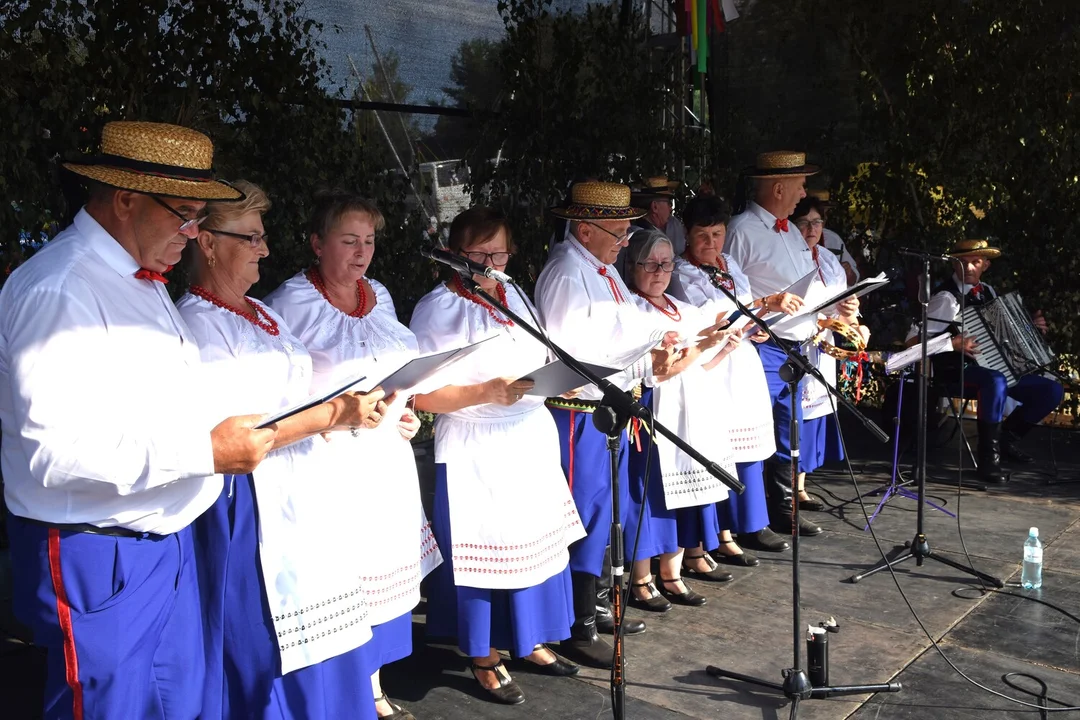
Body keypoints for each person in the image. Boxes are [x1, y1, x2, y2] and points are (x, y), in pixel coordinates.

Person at [0, 121, 276, 720]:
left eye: (199, 216)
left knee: (174, 708)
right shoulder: (59, 289)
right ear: (125, 199)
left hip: (160, 541)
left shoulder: (140, 277)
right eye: (185, 214)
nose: (194, 233)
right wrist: (206, 453)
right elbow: (55, 454)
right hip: (99, 550)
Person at [266, 192, 441, 720]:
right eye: (349, 240)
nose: (362, 252)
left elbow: (394, 365)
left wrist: (404, 409)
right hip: (328, 462)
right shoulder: (287, 304)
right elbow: (276, 391)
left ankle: (374, 684)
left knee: (384, 569)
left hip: (385, 459)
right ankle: (347, 692)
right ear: (317, 243)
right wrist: (330, 416)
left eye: (368, 240)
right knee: (345, 576)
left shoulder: (380, 294)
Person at [410, 207, 586, 705]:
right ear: (454, 256)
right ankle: (484, 652)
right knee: (486, 553)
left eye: (500, 253)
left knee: (535, 543)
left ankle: (529, 639)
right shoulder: (437, 309)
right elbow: (420, 396)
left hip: (527, 434)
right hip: (476, 444)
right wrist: (485, 392)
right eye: (481, 255)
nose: (492, 263)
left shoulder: (515, 294)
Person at [534, 181, 693, 668]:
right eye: (619, 230)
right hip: (579, 413)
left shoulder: (600, 270)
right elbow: (573, 354)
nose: (626, 240)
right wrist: (645, 346)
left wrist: (653, 349)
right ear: (585, 228)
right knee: (584, 512)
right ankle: (576, 624)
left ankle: (594, 605)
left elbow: (622, 329)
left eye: (627, 230)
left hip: (609, 409)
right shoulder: (566, 272)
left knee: (606, 511)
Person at [622, 228, 743, 610]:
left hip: (693, 409)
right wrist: (700, 345)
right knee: (651, 494)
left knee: (683, 497)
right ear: (633, 266)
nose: (660, 272)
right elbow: (656, 370)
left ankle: (672, 573)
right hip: (657, 411)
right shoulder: (631, 310)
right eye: (650, 264)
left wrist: (721, 348)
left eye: (666, 263)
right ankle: (641, 577)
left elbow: (700, 364)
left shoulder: (682, 307)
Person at [668, 194, 791, 557]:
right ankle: (722, 532)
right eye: (702, 235)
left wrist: (760, 324)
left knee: (749, 444)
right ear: (687, 236)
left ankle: (752, 522)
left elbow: (744, 306)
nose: (711, 243)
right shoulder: (681, 272)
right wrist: (760, 308)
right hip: (713, 363)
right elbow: (710, 317)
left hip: (743, 360)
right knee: (720, 446)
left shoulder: (731, 263)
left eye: (718, 233)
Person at [725, 151, 825, 537]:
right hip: (764, 345)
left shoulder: (791, 232)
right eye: (800, 185)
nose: (803, 193)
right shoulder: (741, 229)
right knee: (753, 429)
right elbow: (727, 286)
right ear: (779, 187)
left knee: (789, 427)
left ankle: (783, 508)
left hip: (797, 346)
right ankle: (745, 520)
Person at [906, 239, 1063, 483]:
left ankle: (1004, 441)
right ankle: (989, 460)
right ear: (954, 265)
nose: (968, 268)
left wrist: (1031, 330)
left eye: (975, 262)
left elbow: (1003, 336)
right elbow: (912, 343)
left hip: (991, 371)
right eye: (963, 263)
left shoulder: (988, 291)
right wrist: (952, 343)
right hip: (954, 371)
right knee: (996, 381)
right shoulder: (946, 298)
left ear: (985, 265)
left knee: (1051, 390)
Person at [790, 197, 867, 509]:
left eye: (817, 222)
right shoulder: (790, 258)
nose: (811, 229)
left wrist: (853, 313)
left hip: (824, 343)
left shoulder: (827, 257)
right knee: (797, 415)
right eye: (804, 222)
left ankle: (801, 484)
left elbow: (843, 301)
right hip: (799, 341)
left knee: (816, 414)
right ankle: (787, 489)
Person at [807, 190, 860, 285]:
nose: (824, 218)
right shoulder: (792, 241)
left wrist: (848, 272)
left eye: (818, 220)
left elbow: (854, 278)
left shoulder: (832, 238)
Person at [631, 176, 688, 255]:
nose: (670, 208)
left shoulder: (646, 231)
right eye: (669, 203)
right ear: (655, 207)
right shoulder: (644, 238)